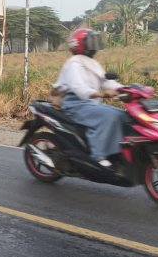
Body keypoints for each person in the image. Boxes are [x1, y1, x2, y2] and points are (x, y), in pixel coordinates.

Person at [52, 28, 124, 168]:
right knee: (109, 116)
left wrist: (125, 89)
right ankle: (98, 156)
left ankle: (114, 153)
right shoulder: (74, 62)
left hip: (90, 102)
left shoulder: (93, 63)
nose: (94, 45)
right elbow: (79, 88)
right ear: (79, 44)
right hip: (75, 103)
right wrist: (101, 94)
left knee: (121, 115)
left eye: (95, 41)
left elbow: (106, 82)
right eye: (91, 42)